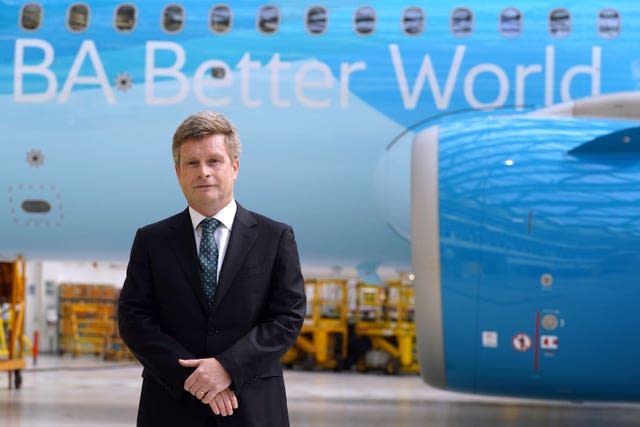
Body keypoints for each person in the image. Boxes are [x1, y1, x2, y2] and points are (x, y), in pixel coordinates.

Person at [118, 111, 306, 427]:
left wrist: (227, 368)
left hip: (252, 408)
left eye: (214, 161)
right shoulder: (151, 240)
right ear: (178, 171)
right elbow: (134, 318)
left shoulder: (275, 237)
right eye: (192, 163)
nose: (203, 172)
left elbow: (288, 317)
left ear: (235, 166)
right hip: (171, 406)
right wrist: (195, 378)